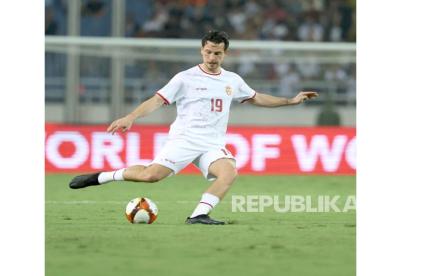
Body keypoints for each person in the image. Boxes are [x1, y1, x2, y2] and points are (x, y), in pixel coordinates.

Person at [69, 30, 318, 225]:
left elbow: (256, 97)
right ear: (202, 50)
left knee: (229, 172)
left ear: (225, 54)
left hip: (212, 143)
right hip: (184, 139)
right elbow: (157, 100)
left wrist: (290, 101)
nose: (212, 58)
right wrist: (131, 117)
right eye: (208, 52)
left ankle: (198, 215)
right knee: (150, 176)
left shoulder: (232, 80)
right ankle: (102, 177)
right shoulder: (185, 78)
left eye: (217, 54)